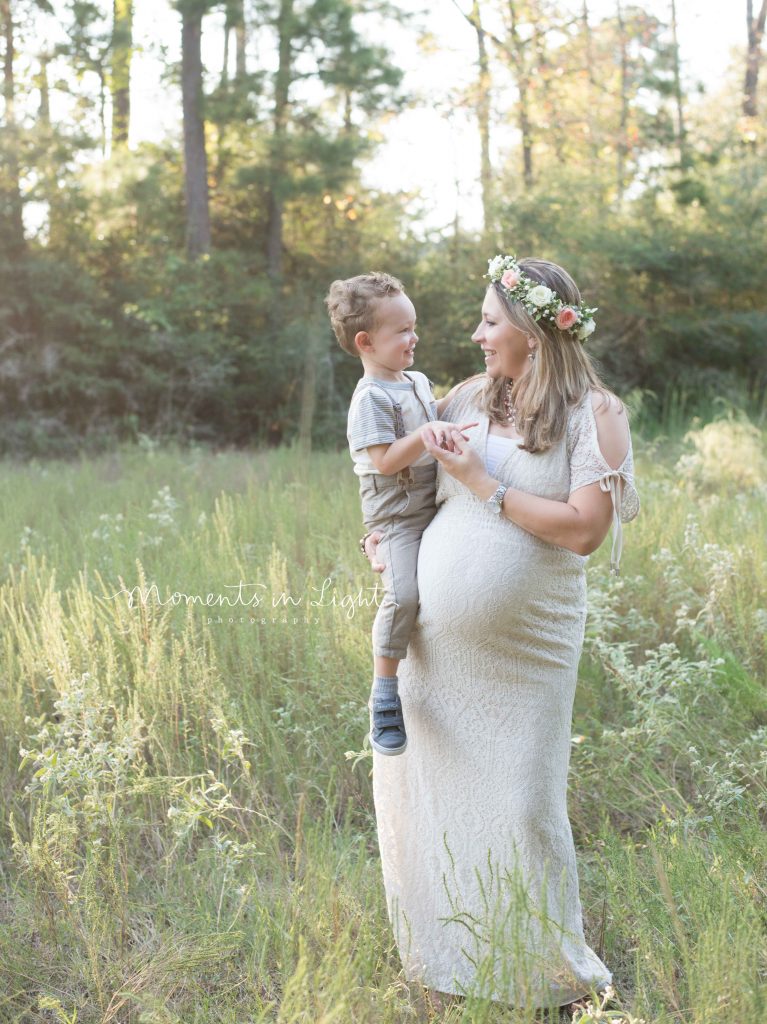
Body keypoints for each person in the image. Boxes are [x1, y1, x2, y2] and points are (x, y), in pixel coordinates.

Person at [361, 255, 639, 1016]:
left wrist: (486, 484)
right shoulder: (465, 397)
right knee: (432, 799)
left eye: (489, 321)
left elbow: (584, 531)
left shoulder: (595, 412)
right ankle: (447, 961)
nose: (475, 335)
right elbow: (400, 484)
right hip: (433, 650)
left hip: (525, 654)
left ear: (532, 330)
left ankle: (552, 978)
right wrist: (381, 540)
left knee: (522, 806)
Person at [325, 272, 478, 756]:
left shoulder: (414, 380)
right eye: (402, 332)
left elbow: (433, 408)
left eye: (414, 327)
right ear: (366, 342)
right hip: (396, 518)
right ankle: (385, 693)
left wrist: (473, 390)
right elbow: (388, 460)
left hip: (433, 501)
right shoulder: (368, 399)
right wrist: (430, 430)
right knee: (404, 595)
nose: (414, 339)